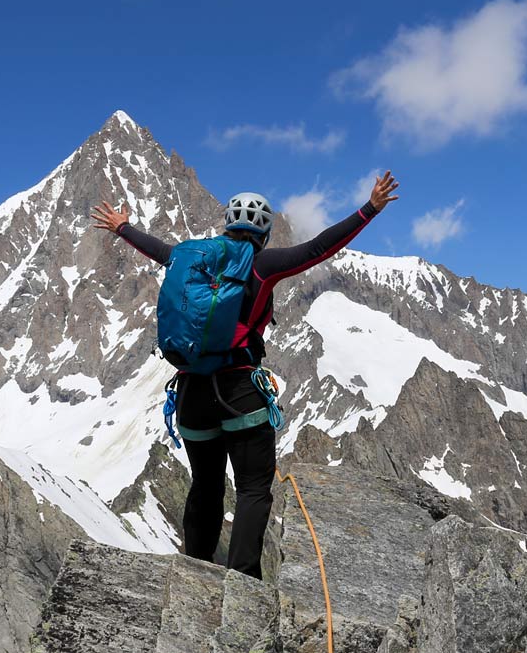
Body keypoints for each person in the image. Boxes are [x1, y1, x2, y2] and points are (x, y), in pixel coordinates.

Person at [88, 171, 400, 578]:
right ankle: (242, 583)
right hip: (239, 390)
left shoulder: (191, 256)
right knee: (252, 489)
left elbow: (158, 250)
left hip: (192, 392)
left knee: (205, 486)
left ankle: (194, 575)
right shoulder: (261, 264)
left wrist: (122, 227)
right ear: (264, 232)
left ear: (227, 223)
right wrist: (369, 210)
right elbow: (319, 248)